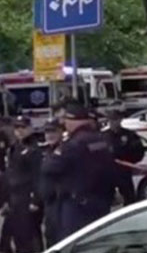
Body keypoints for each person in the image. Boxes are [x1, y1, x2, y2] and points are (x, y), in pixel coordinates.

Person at [42, 102, 116, 241]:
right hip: (101, 199)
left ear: (74, 121)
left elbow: (49, 167)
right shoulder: (102, 139)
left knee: (72, 242)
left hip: (77, 204)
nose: (65, 124)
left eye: (67, 121)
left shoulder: (73, 143)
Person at [2, 116, 43, 253]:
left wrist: (36, 199)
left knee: (30, 232)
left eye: (23, 128)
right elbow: (10, 173)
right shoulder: (14, 147)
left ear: (30, 128)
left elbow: (38, 175)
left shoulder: (34, 149)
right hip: (15, 196)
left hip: (27, 195)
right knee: (18, 232)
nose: (19, 131)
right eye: (17, 128)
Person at [102, 110, 145, 206]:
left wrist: (129, 160)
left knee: (130, 198)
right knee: (106, 200)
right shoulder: (103, 136)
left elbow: (138, 150)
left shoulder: (129, 135)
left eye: (116, 120)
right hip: (108, 172)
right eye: (111, 120)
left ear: (120, 120)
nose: (113, 123)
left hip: (124, 171)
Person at [39, 119, 64, 247]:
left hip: (61, 201)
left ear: (61, 131)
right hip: (48, 202)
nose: (49, 135)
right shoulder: (44, 151)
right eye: (47, 132)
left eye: (53, 131)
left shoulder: (65, 150)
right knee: (50, 235)